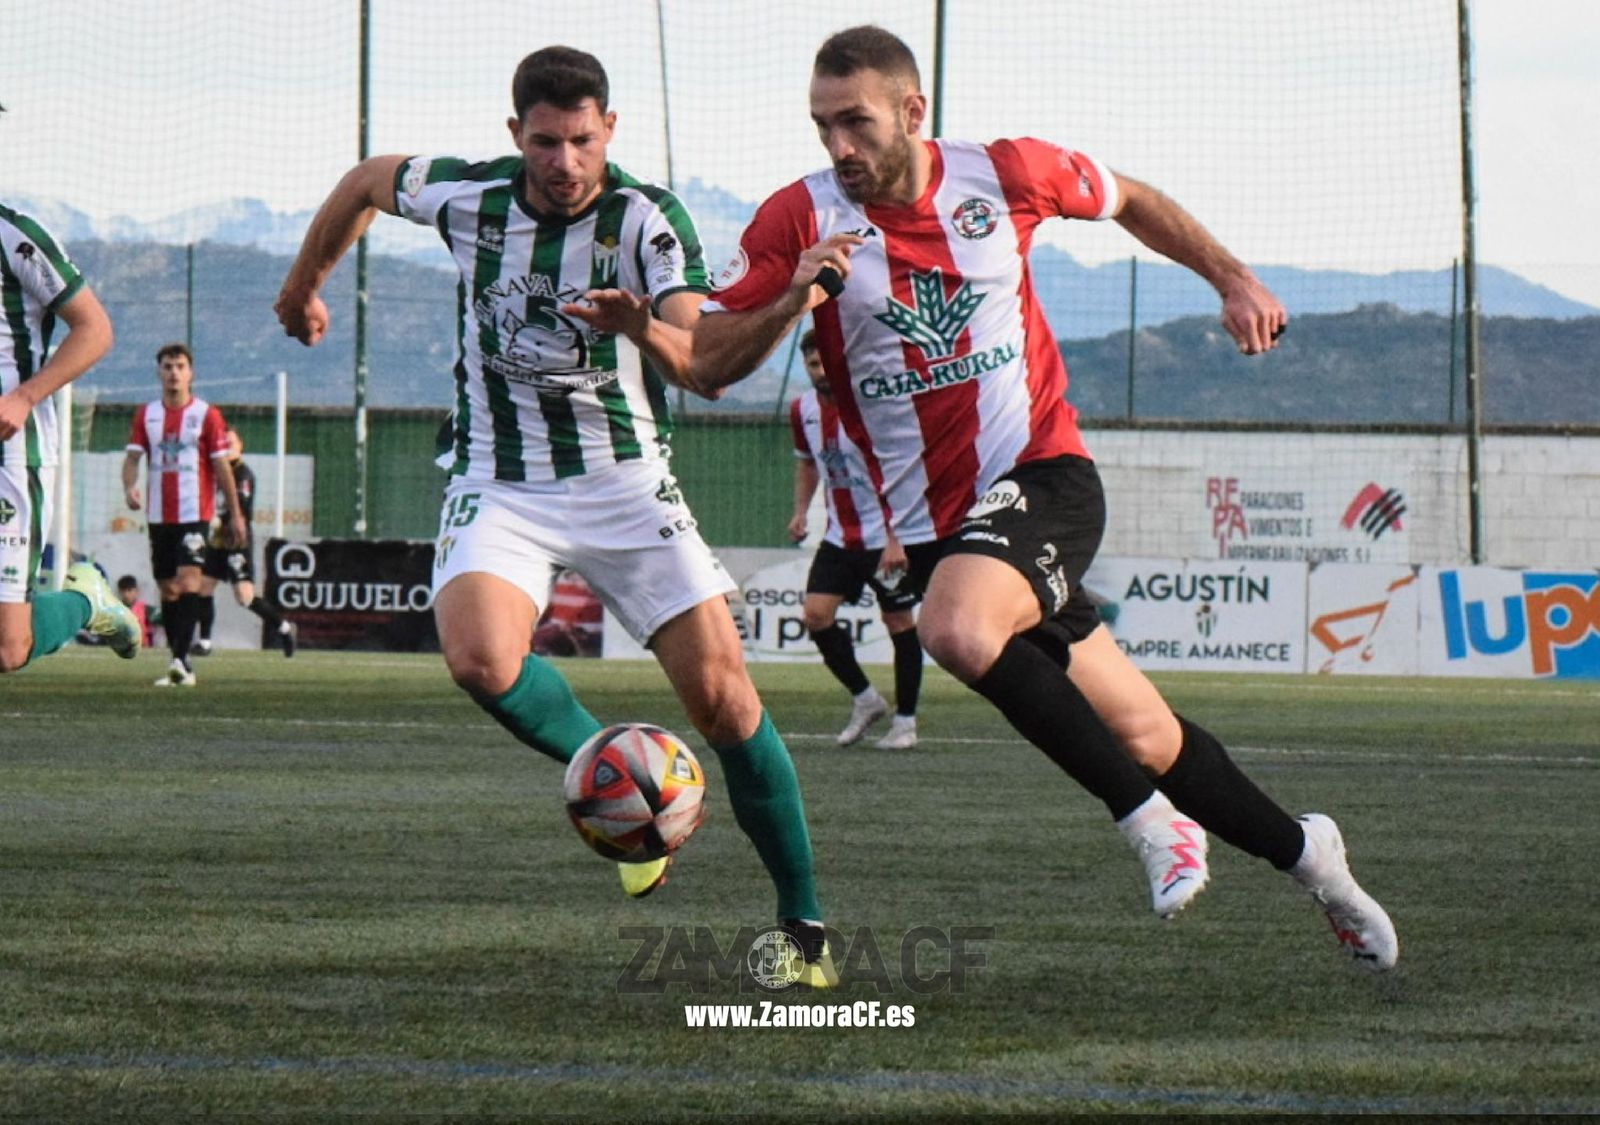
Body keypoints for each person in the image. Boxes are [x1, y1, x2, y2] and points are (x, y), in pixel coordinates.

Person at [687, 26, 1397, 970]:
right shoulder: (797, 219)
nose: (839, 147)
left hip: (1044, 475)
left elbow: (1133, 199)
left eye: (855, 122)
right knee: (1144, 732)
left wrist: (1232, 277)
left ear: (912, 110)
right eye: (822, 127)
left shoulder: (1006, 173)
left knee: (954, 630)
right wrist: (791, 301)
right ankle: (1316, 859)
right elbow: (706, 364)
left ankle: (1153, 827)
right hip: (948, 532)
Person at [274, 46, 835, 985]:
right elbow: (365, 182)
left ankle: (805, 928)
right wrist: (304, 285)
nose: (565, 161)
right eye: (545, 141)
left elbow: (698, 356)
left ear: (608, 130)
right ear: (515, 136)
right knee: (480, 659)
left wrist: (638, 327)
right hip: (500, 477)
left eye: (582, 140)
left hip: (622, 478)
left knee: (727, 701)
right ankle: (619, 771)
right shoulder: (467, 197)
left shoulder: (647, 220)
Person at [0, 184, 141, 672]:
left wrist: (23, 396)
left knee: (8, 647)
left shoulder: (16, 237)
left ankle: (89, 601)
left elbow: (95, 328)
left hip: (14, 452)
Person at [788, 328, 921, 749]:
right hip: (839, 538)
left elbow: (899, 471)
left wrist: (899, 538)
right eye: (812, 363)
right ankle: (866, 699)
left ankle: (906, 722)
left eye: (825, 360)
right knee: (816, 615)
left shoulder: (870, 406)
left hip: (884, 537)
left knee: (899, 622)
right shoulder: (802, 409)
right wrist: (799, 512)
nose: (819, 369)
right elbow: (809, 464)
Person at [121, 343, 247, 687]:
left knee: (189, 580)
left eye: (179, 366)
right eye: (167, 366)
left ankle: (180, 659)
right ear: (158, 372)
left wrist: (236, 514)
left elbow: (222, 467)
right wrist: (130, 487)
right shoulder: (146, 416)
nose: (173, 372)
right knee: (169, 589)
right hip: (160, 515)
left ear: (190, 373)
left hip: (196, 513)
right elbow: (132, 459)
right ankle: (179, 662)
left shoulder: (206, 415)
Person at [192, 427, 297, 657]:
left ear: (241, 446)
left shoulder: (243, 475)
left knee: (245, 597)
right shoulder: (215, 472)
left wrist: (219, 520)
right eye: (223, 443)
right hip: (217, 543)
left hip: (236, 542)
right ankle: (205, 642)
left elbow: (240, 508)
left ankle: (284, 628)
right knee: (203, 588)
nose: (227, 446)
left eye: (231, 442)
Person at [116, 574, 157, 649]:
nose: (126, 594)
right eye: (123, 591)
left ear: (136, 591)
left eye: (129, 590)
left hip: (144, 649)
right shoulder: (115, 609)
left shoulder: (146, 609)